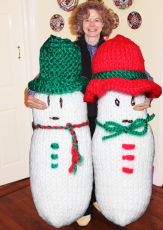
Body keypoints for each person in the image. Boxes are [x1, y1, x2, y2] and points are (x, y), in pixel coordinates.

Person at [27, 1, 152, 226]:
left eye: (96, 19)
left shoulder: (114, 48)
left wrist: (149, 97)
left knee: (105, 162)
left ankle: (99, 198)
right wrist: (30, 93)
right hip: (79, 118)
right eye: (86, 19)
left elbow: (142, 76)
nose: (91, 24)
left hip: (107, 117)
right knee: (82, 162)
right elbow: (44, 78)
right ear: (80, 24)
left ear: (104, 23)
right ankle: (83, 205)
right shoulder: (72, 50)